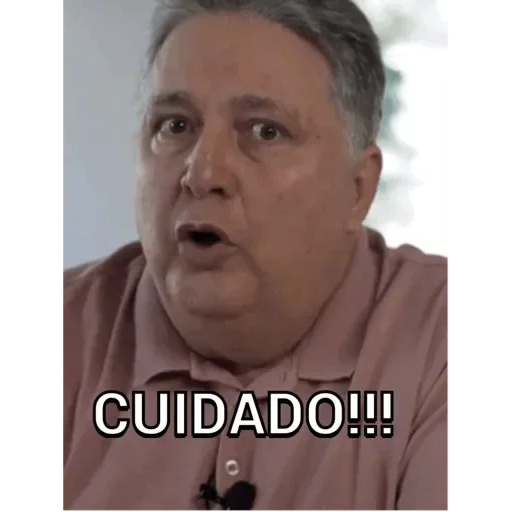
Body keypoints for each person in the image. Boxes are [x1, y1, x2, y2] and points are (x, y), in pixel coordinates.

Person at [62, 0, 448, 510]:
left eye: (265, 131)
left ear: (358, 189)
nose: (203, 174)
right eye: (175, 125)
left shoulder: (434, 339)